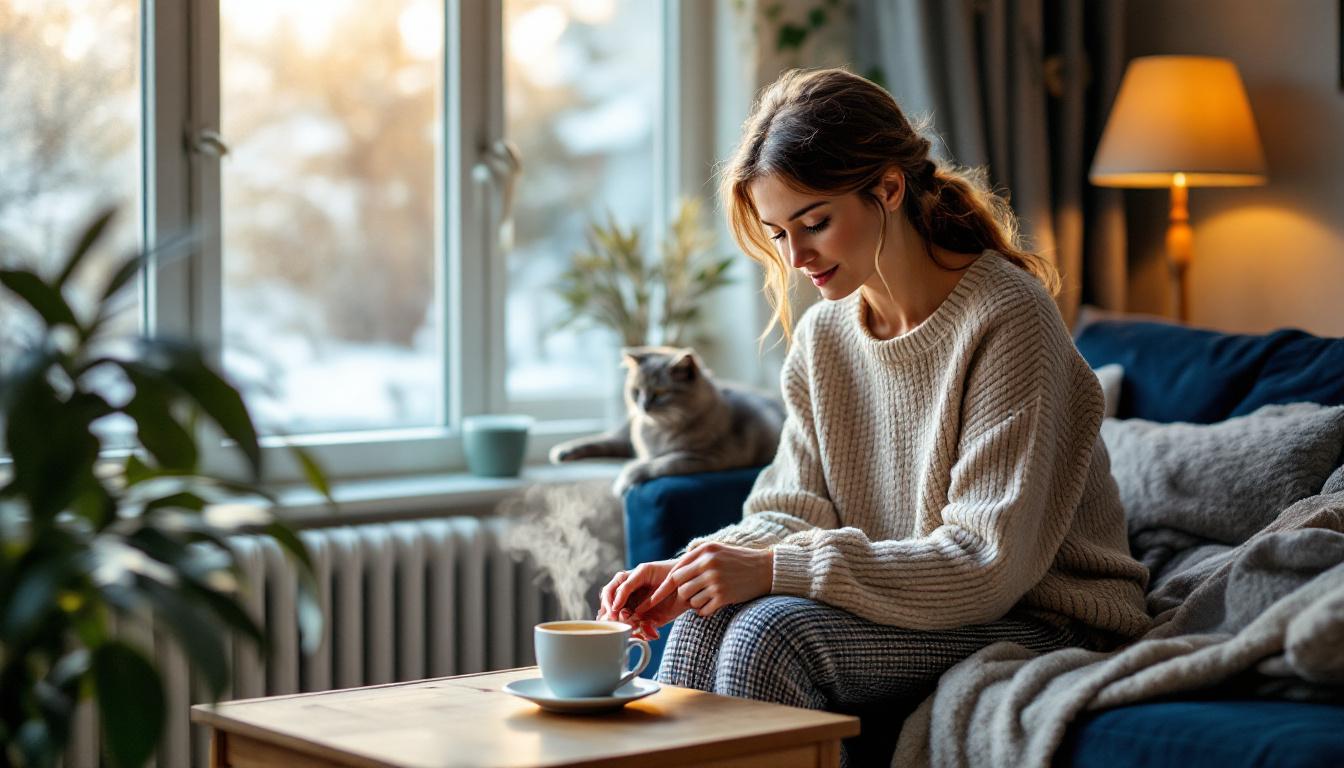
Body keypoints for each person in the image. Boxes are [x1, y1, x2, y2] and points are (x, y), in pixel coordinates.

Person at [596, 68, 1149, 764]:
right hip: (914, 601)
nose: (796, 259)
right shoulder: (828, 337)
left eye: (815, 223)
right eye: (778, 233)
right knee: (706, 623)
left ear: (888, 188)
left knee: (773, 634)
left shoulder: (1007, 320)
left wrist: (775, 572)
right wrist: (691, 570)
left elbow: (985, 564)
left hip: (1045, 615)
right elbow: (793, 507)